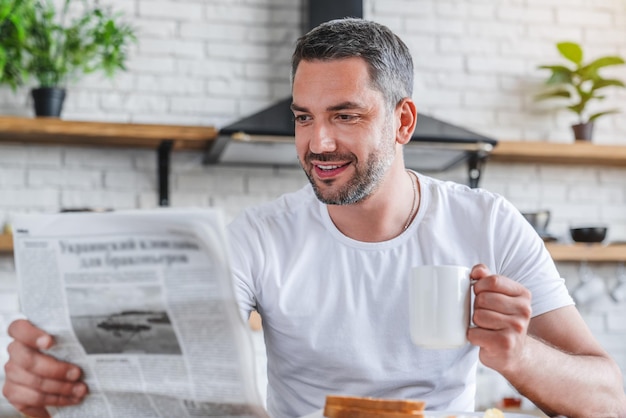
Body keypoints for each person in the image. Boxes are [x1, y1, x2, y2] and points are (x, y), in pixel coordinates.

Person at [3, 18, 626, 418]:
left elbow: (608, 397)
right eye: (304, 117)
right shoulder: (258, 237)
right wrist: (55, 376)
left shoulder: (488, 224)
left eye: (346, 115)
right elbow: (160, 362)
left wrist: (518, 357)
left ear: (402, 121)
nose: (318, 142)